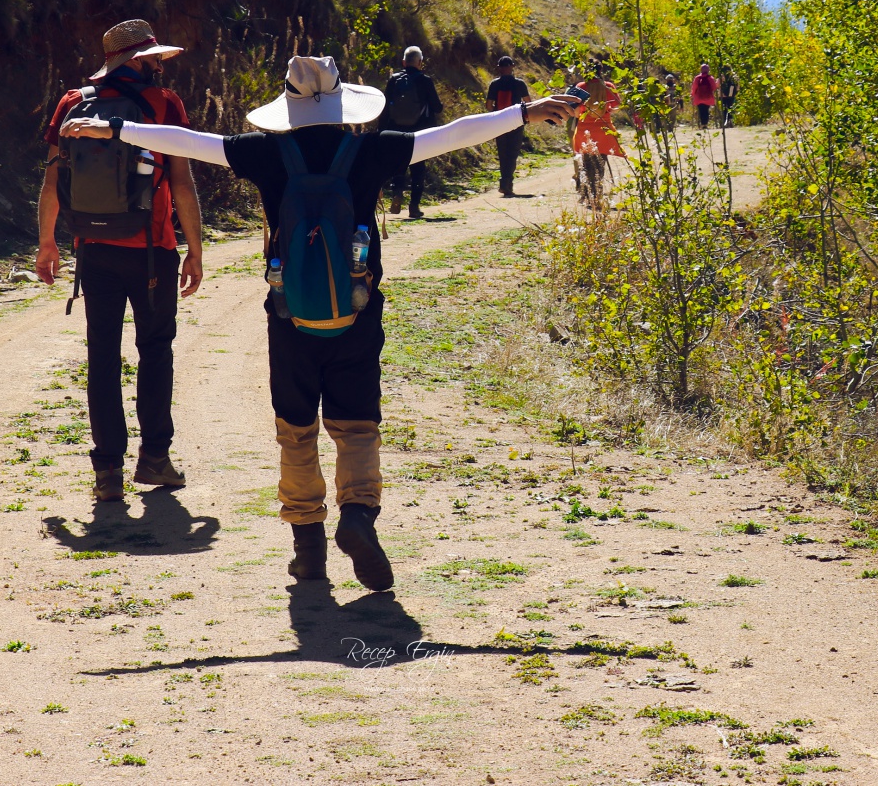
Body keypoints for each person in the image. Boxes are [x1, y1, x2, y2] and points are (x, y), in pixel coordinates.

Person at [59, 55, 577, 590]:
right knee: (356, 425)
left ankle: (308, 552)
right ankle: (356, 517)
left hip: (289, 315)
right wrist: (524, 111)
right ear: (340, 103)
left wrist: (112, 125)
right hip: (357, 310)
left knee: (296, 429)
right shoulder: (373, 150)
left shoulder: (263, 153)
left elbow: (188, 141)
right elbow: (456, 134)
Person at [36, 19, 205, 503]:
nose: (157, 64)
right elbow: (182, 181)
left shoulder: (73, 102)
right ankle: (154, 458)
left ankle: (107, 470)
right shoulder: (163, 104)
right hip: (153, 252)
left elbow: (52, 181)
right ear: (137, 60)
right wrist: (193, 248)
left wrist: (48, 242)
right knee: (155, 351)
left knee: (102, 357)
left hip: (93, 248)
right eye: (152, 57)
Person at [381, 45, 443, 218]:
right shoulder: (425, 80)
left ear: (403, 62)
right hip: (419, 132)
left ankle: (397, 193)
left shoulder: (394, 79)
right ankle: (414, 206)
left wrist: (382, 130)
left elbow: (386, 106)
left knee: (398, 165)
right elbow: (437, 107)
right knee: (418, 168)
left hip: (395, 130)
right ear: (420, 63)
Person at [573, 61, 624, 208]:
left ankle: (587, 195)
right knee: (600, 164)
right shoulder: (608, 86)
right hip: (603, 129)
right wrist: (607, 111)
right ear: (601, 71)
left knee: (586, 163)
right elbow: (617, 105)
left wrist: (582, 115)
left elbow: (575, 110)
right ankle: (597, 195)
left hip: (584, 129)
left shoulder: (580, 87)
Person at [485, 55, 533, 196]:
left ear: (499, 68)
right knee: (512, 153)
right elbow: (528, 103)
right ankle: (507, 183)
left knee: (503, 153)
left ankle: (504, 182)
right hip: (516, 121)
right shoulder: (520, 84)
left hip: (499, 122)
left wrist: (496, 113)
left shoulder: (494, 84)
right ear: (512, 66)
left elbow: (488, 105)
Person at [690, 62, 718, 131]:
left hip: (699, 98)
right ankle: (705, 124)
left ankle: (702, 124)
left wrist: (692, 94)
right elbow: (714, 87)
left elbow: (694, 87)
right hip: (708, 98)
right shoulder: (710, 78)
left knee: (701, 110)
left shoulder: (697, 78)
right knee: (706, 110)